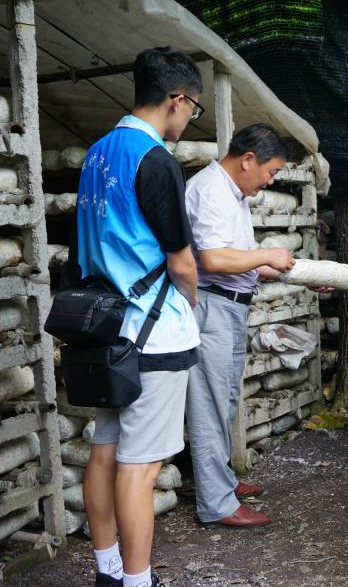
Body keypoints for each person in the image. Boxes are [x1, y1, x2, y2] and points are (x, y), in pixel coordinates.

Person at [79, 47, 202, 587]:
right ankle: (137, 580)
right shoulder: (155, 161)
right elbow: (181, 260)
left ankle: (108, 569)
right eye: (193, 108)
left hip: (100, 330)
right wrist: (192, 302)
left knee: (105, 449)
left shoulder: (97, 153)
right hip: (151, 334)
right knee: (140, 466)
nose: (188, 118)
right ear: (176, 99)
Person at [184, 124, 296, 528]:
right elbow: (214, 260)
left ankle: (222, 482)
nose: (270, 181)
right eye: (270, 172)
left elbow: (243, 260)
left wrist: (292, 272)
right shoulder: (210, 190)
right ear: (248, 159)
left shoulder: (234, 194)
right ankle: (216, 503)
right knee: (211, 403)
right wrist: (268, 253)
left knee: (225, 399)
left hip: (230, 307)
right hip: (211, 306)